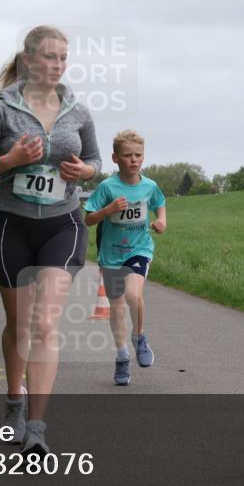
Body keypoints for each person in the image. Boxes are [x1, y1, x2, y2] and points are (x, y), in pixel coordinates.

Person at [0, 25, 102, 456]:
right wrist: (9, 160)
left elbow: (96, 159)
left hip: (64, 224)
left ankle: (37, 428)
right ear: (28, 60)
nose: (57, 66)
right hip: (12, 227)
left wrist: (87, 172)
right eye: (49, 57)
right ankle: (14, 402)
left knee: (44, 326)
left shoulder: (78, 110)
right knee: (20, 327)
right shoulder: (1, 112)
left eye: (63, 58)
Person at [83, 130, 166, 386]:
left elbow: (159, 203)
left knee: (133, 294)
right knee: (117, 306)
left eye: (138, 155)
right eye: (127, 155)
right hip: (111, 255)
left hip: (139, 249)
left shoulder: (149, 185)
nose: (133, 160)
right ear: (115, 158)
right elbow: (88, 219)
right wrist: (108, 210)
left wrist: (161, 220)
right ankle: (121, 356)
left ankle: (139, 337)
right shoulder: (107, 187)